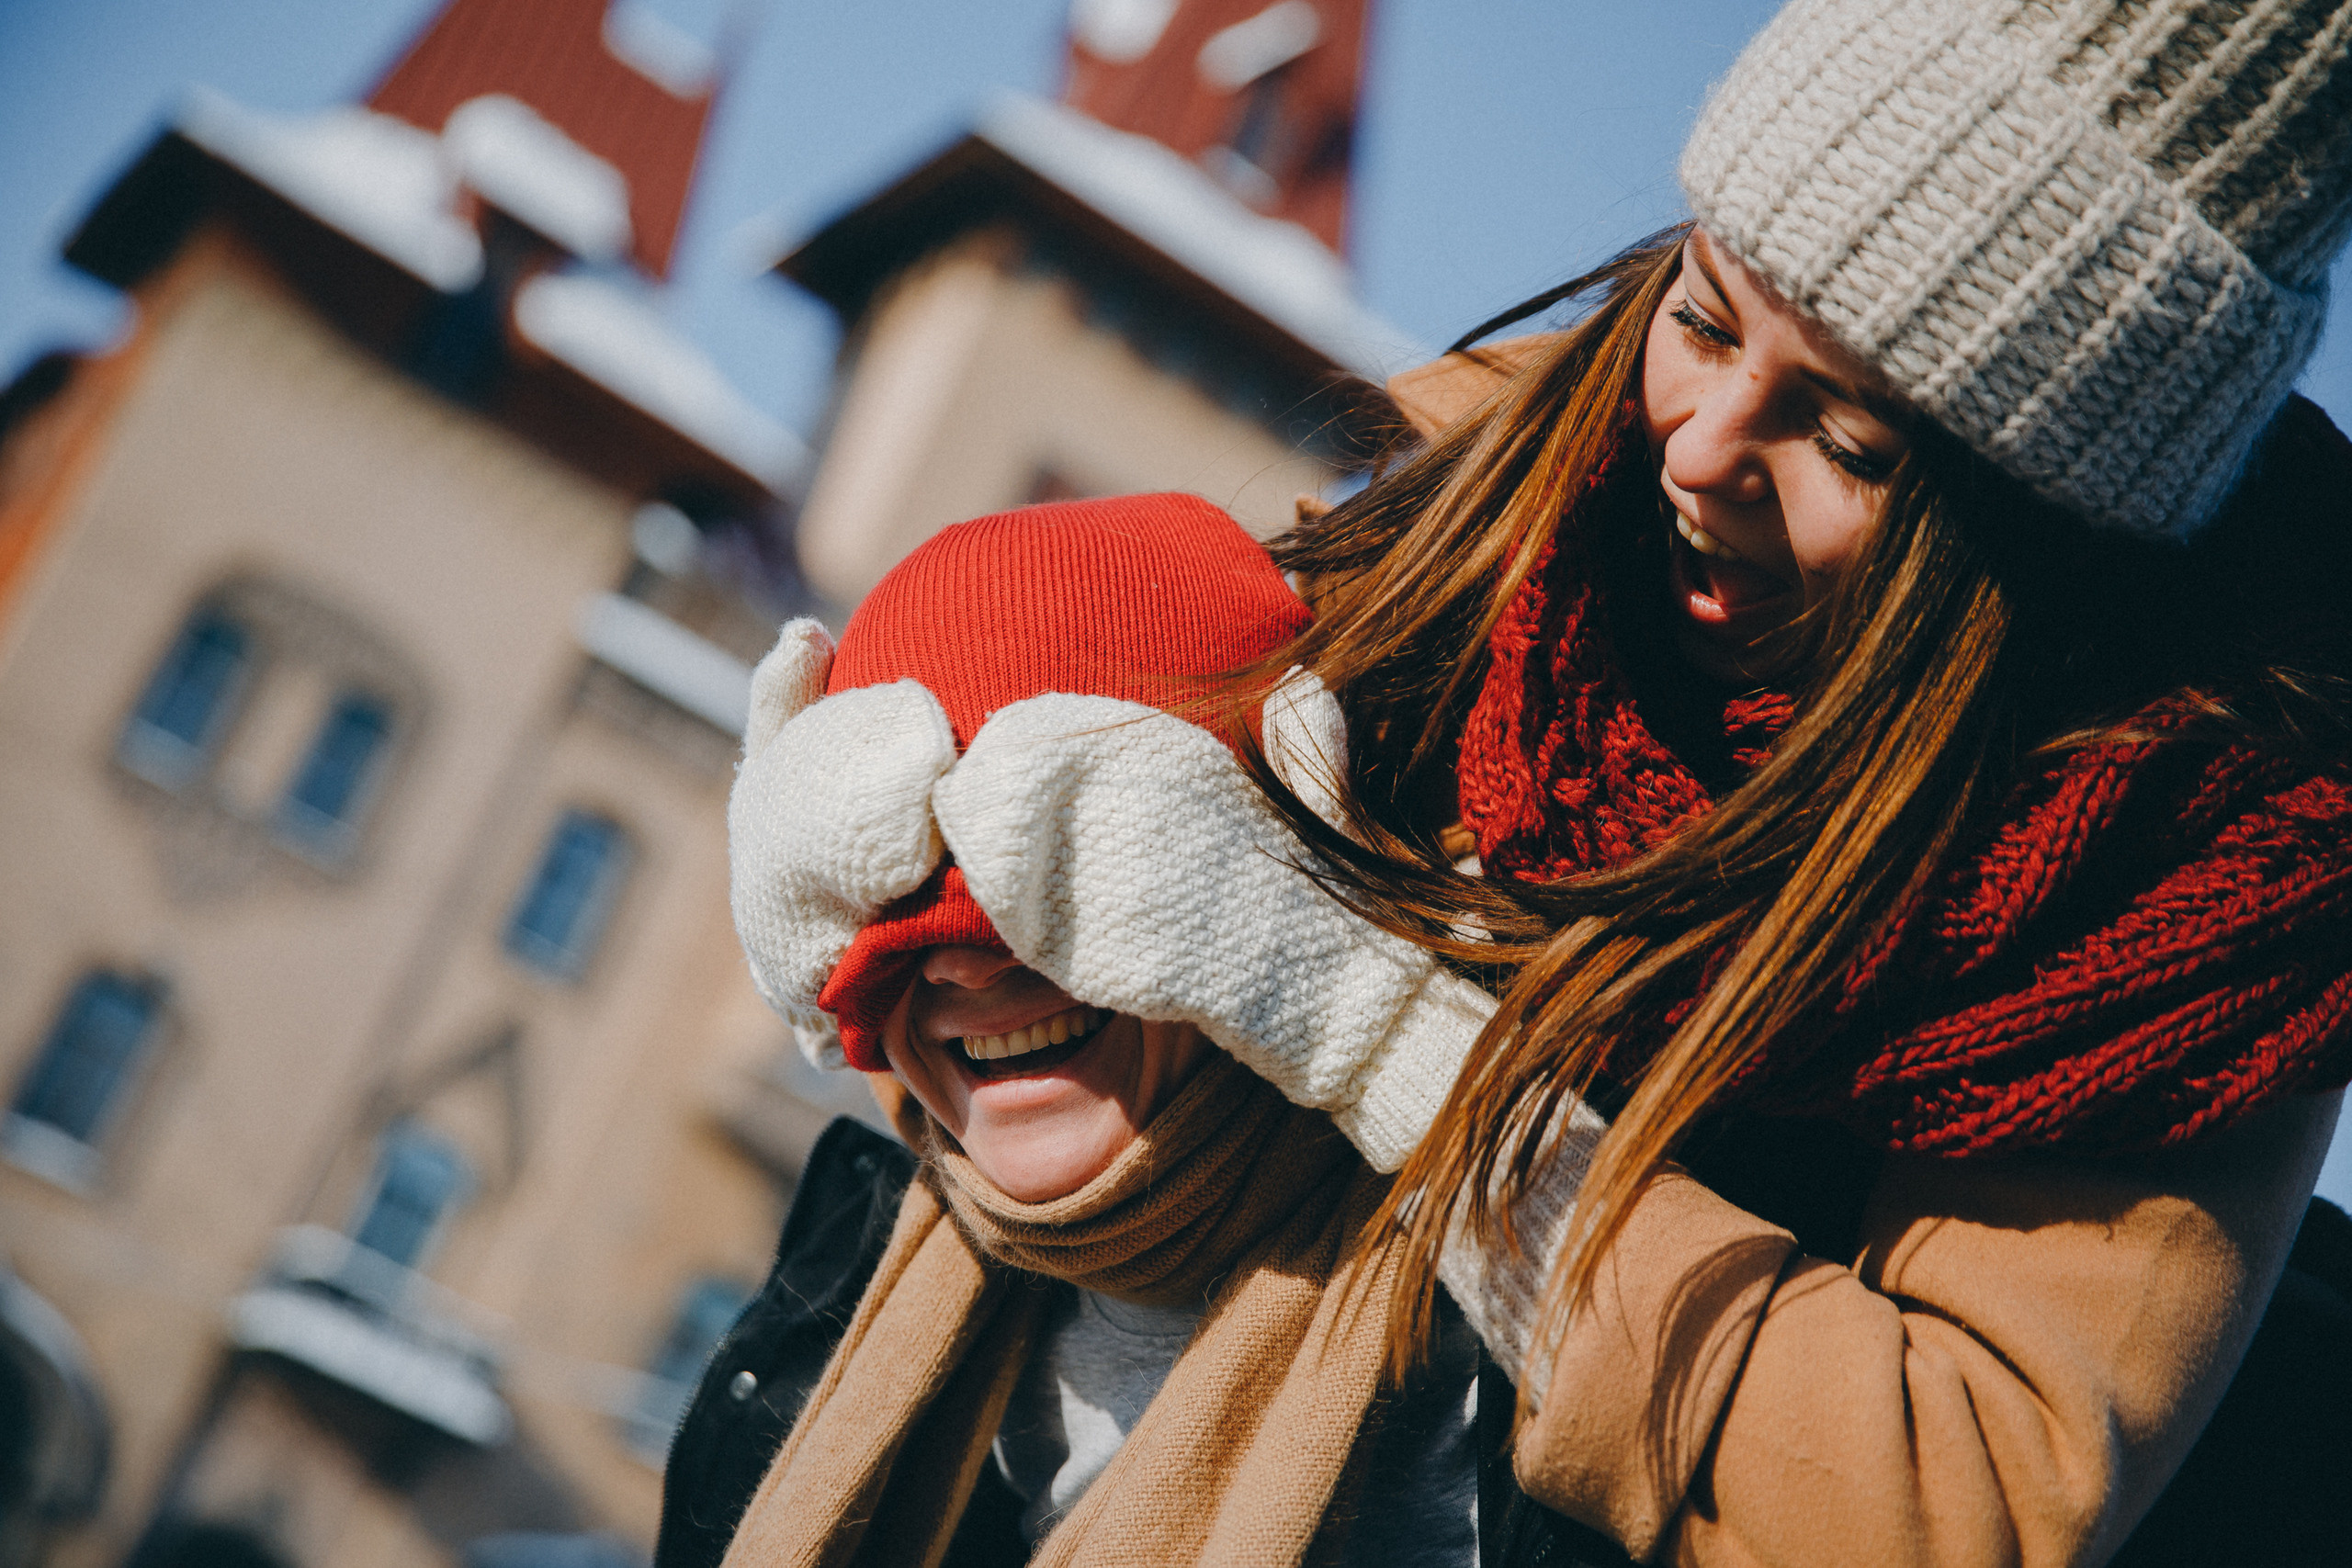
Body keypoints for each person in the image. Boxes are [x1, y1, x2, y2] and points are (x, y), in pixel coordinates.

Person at [899, 1, 2352, 1563]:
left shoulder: (2192, 891)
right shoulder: (1488, 508)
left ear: (2041, 537)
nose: (1702, 446)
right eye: (1709, 317)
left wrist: (1364, 1024)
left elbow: (1947, 1503)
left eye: (1851, 441)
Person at [678, 496, 1501, 1567]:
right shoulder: (814, 1337)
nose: (964, 958)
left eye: (1065, 854)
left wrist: (1374, 1025)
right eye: (890, 873)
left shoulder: (1500, 1311)